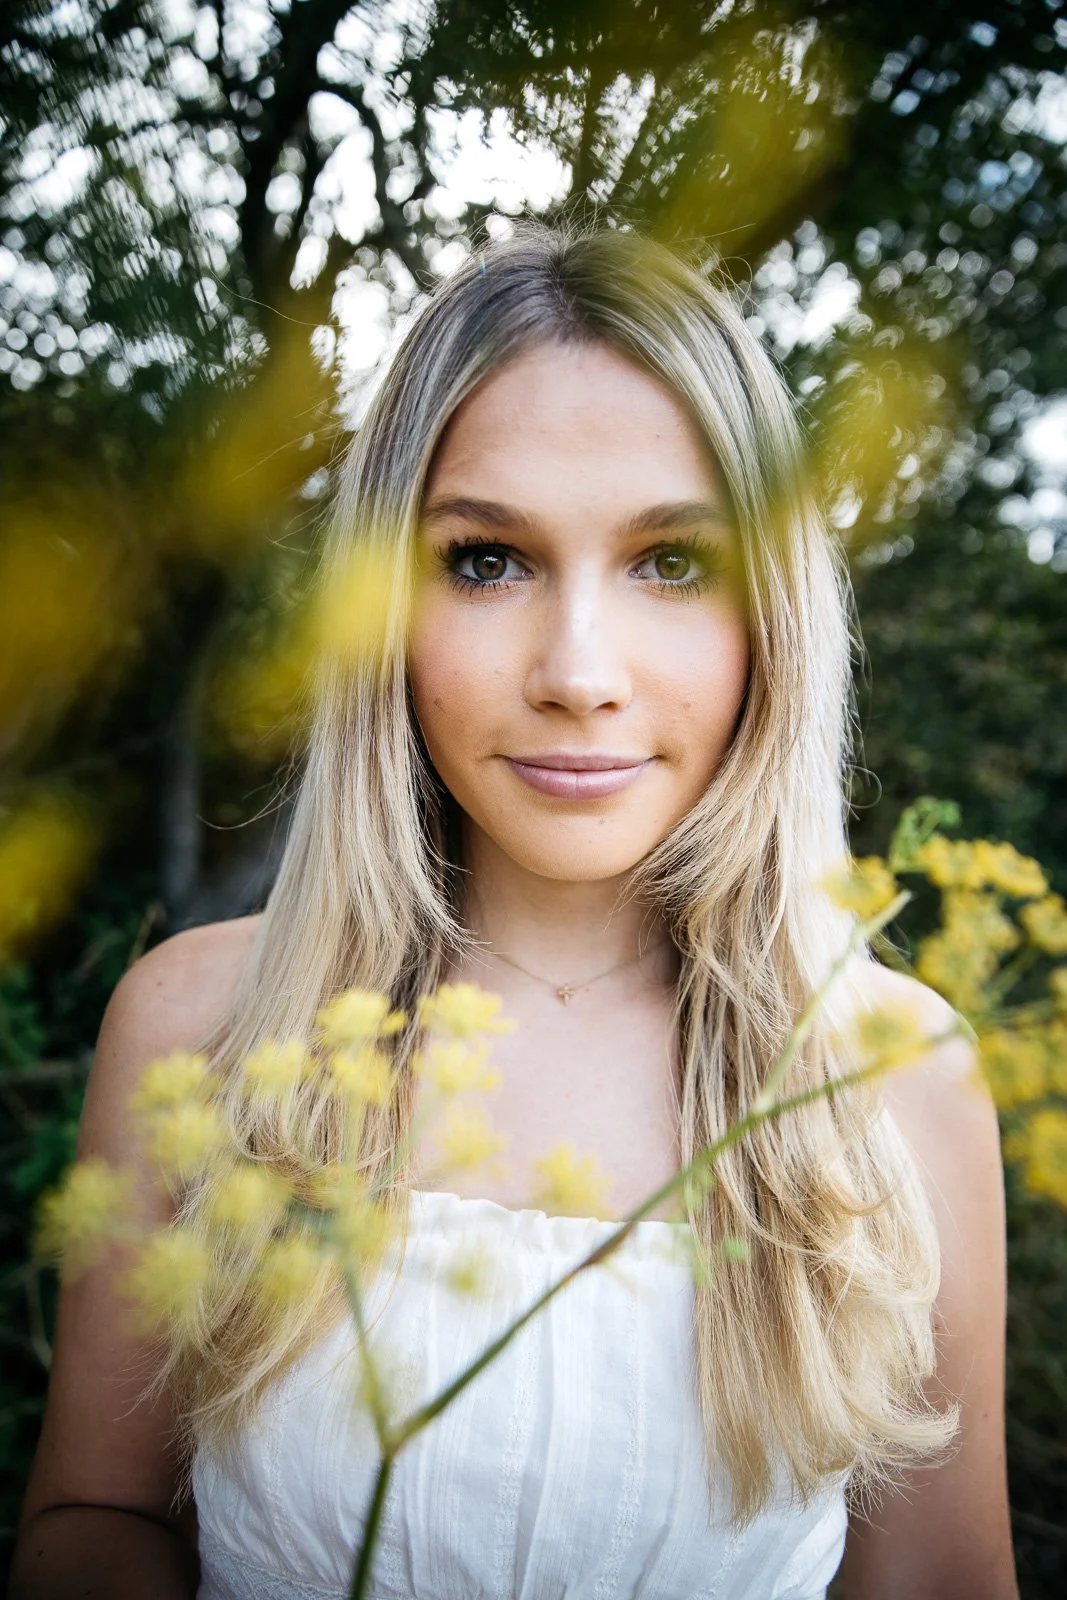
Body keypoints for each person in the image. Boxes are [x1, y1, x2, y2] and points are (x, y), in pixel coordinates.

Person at [10, 224, 1017, 1600]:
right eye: (486, 561)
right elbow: (93, 1518)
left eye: (672, 564)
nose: (577, 673)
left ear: (770, 613)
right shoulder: (199, 1028)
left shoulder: (893, 1082)